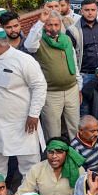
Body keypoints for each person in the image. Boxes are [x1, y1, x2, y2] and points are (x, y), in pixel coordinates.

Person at [0, 26, 46, 178]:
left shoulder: (23, 60)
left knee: (29, 166)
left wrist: (33, 114)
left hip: (21, 124)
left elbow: (39, 86)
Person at [25, 9, 82, 139]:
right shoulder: (38, 41)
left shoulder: (66, 39)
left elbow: (73, 63)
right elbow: (29, 46)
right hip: (51, 93)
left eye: (56, 24)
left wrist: (79, 86)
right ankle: (55, 156)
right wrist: (40, 21)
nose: (53, 28)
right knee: (52, 130)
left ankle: (77, 155)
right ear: (45, 25)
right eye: (49, 24)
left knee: (75, 127)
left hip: (71, 90)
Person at [15, 137, 86, 195]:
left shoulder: (79, 171)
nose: (54, 156)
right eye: (50, 152)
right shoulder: (37, 169)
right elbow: (24, 191)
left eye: (59, 152)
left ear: (67, 153)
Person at [67, 0, 98, 88]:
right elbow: (70, 56)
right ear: (81, 11)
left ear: (97, 11)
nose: (90, 13)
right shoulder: (73, 30)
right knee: (87, 101)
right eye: (87, 10)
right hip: (86, 75)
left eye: (93, 10)